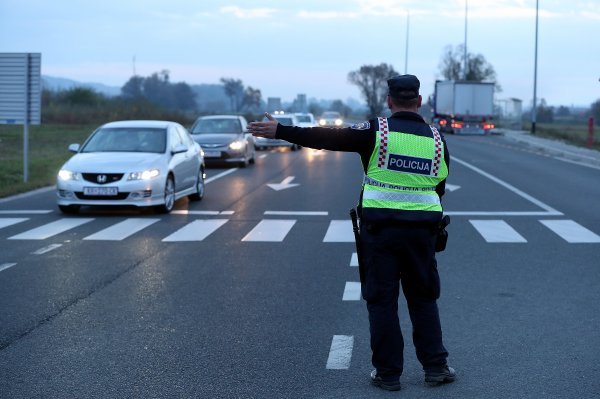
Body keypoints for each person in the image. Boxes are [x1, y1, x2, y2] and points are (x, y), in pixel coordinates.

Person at [247, 74, 455, 391]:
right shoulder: (437, 141)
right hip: (422, 234)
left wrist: (281, 131)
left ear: (389, 101)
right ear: (420, 101)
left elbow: (327, 138)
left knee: (382, 301)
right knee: (424, 299)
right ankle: (436, 367)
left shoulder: (378, 132)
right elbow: (439, 188)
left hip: (381, 232)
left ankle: (387, 374)